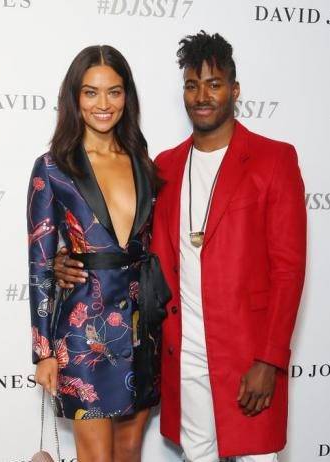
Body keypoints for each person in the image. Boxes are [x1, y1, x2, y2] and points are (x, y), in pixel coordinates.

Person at [55, 31, 306, 461]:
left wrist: (270, 360)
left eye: (214, 84)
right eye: (192, 85)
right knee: (197, 453)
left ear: (235, 90)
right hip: (181, 351)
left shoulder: (274, 160)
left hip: (246, 352)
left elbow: (289, 270)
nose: (202, 96)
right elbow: (130, 243)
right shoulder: (164, 167)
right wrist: (68, 258)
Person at [27, 45, 170, 462]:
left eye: (114, 91)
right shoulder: (53, 167)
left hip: (141, 331)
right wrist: (43, 353)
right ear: (75, 98)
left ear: (127, 97)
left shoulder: (144, 163)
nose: (103, 104)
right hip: (82, 335)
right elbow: (40, 262)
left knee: (129, 451)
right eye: (91, 92)